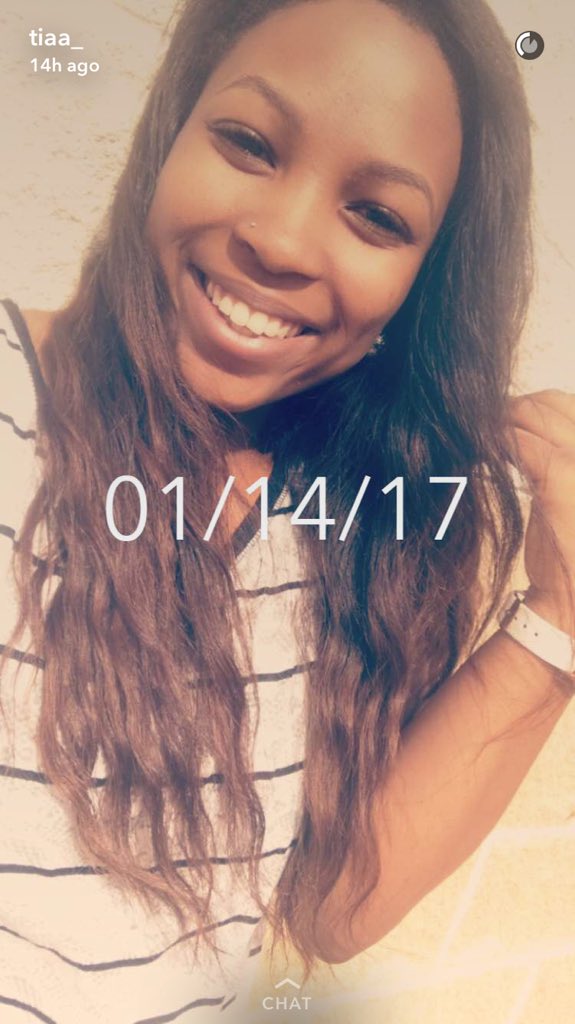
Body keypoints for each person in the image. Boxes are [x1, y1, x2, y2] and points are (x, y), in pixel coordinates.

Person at [1, 0, 574, 1021]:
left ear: (423, 285)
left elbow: (329, 908)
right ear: (170, 129)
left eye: (377, 216)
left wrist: (560, 614)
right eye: (249, 143)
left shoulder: (367, 516)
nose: (280, 240)